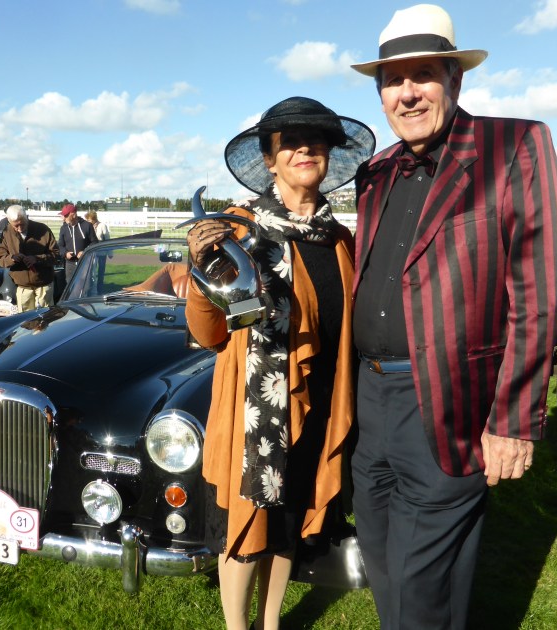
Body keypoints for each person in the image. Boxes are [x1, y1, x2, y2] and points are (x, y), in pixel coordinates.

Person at [348, 5, 557, 629]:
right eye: (394, 80)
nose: (408, 93)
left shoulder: (513, 145)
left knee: (424, 586)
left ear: (456, 79)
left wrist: (516, 420)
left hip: (446, 402)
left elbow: (537, 290)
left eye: (423, 75)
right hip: (369, 398)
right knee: (383, 563)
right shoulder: (375, 170)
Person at [185, 96, 375, 630]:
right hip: (257, 411)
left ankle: (270, 625)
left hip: (319, 404)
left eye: (316, 140)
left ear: (329, 157)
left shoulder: (339, 241)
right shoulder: (238, 232)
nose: (303, 148)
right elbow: (210, 332)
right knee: (249, 524)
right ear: (270, 160)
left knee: (290, 521)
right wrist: (202, 269)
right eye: (288, 141)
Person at [0, 204, 60, 312]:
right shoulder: (7, 233)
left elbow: (56, 255)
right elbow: (0, 258)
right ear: (8, 221)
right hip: (22, 286)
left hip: (43, 285)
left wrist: (37, 259)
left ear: (27, 217)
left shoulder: (43, 229)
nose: (20, 228)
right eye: (16, 226)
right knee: (25, 323)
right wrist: (12, 258)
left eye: (22, 224)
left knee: (44, 320)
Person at [57, 204, 97, 285]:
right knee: (70, 288)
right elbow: (60, 245)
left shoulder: (87, 226)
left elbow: (95, 242)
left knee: (86, 287)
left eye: (66, 215)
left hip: (85, 263)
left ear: (74, 214)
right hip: (69, 265)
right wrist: (65, 253)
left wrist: (85, 252)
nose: (64, 218)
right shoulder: (63, 228)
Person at [85, 209, 110, 292]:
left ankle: (100, 289)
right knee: (92, 272)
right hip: (92, 253)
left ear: (93, 218)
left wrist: (110, 252)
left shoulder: (102, 225)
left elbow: (107, 239)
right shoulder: (88, 227)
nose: (87, 221)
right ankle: (92, 288)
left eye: (88, 219)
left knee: (101, 271)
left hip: (102, 252)